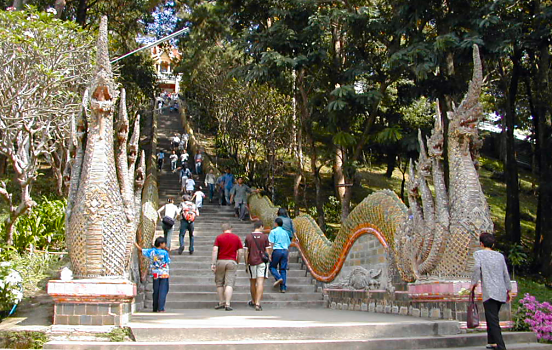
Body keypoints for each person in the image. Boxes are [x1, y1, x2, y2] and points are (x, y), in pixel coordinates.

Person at [471, 232, 512, 350]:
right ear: (493, 243)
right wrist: (509, 289)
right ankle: (492, 341)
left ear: (481, 243)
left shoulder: (478, 254)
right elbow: (505, 273)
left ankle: (501, 346)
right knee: (492, 316)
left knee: (493, 319)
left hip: (489, 291)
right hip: (501, 291)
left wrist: (473, 284)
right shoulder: (499, 256)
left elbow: (476, 269)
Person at [211, 223, 243, 311]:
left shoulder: (219, 237)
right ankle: (227, 304)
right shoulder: (236, 238)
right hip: (231, 261)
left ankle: (221, 302)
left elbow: (215, 250)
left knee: (219, 283)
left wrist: (213, 263)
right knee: (229, 283)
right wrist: (237, 261)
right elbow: (240, 251)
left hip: (220, 261)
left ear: (223, 229)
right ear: (231, 228)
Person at [135, 237, 170, 312]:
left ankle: (155, 307)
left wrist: (135, 244)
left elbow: (141, 250)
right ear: (161, 244)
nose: (165, 244)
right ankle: (161, 308)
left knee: (156, 290)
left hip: (155, 273)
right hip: (164, 273)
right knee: (163, 290)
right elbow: (167, 261)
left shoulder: (151, 251)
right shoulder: (164, 253)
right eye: (164, 243)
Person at [244, 221, 271, 311]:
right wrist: (268, 260)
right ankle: (258, 303)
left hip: (251, 261)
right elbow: (267, 251)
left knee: (252, 282)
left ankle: (253, 300)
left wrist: (246, 262)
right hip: (262, 262)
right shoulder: (265, 237)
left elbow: (245, 251)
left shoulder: (248, 237)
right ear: (261, 226)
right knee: (260, 282)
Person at [269, 217, 291, 293]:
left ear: (276, 223)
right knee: (283, 269)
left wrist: (269, 254)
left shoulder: (273, 232)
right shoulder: (285, 232)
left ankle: (278, 278)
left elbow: (271, 243)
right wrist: (288, 256)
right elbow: (288, 244)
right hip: (285, 251)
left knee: (272, 267)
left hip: (277, 250)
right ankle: (283, 287)